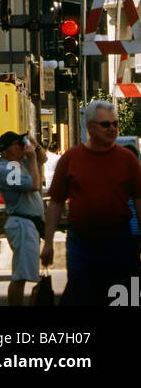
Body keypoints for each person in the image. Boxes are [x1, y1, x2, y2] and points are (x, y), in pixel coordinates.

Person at [42, 101, 141, 306]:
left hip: (120, 243)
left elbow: (139, 200)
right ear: (90, 127)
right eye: (106, 124)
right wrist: (48, 242)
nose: (112, 128)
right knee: (83, 297)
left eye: (115, 123)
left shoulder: (128, 160)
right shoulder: (71, 158)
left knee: (123, 300)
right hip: (82, 244)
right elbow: (56, 203)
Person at [0, 132, 44, 306]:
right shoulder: (6, 170)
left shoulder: (15, 164)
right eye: (18, 144)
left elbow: (42, 159)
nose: (22, 147)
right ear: (6, 150)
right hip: (22, 223)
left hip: (28, 223)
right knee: (20, 276)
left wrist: (34, 146)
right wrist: (30, 159)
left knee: (22, 274)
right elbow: (34, 185)